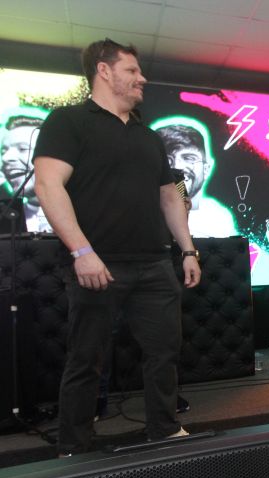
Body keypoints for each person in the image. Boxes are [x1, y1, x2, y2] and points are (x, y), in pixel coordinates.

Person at [33, 38, 201, 455]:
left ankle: (164, 430)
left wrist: (188, 249)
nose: (141, 78)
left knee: (164, 353)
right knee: (86, 359)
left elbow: (170, 197)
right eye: (132, 70)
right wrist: (81, 252)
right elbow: (48, 186)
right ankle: (74, 446)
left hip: (154, 264)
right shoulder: (68, 121)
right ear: (104, 71)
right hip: (98, 263)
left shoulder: (148, 136)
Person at [154, 120, 237, 237]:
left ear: (206, 169)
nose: (177, 166)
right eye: (168, 160)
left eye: (189, 158)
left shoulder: (220, 219)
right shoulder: (144, 213)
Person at [1, 114, 51, 232]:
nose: (6, 158)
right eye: (3, 151)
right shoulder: (8, 215)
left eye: (23, 149)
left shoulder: (81, 210)